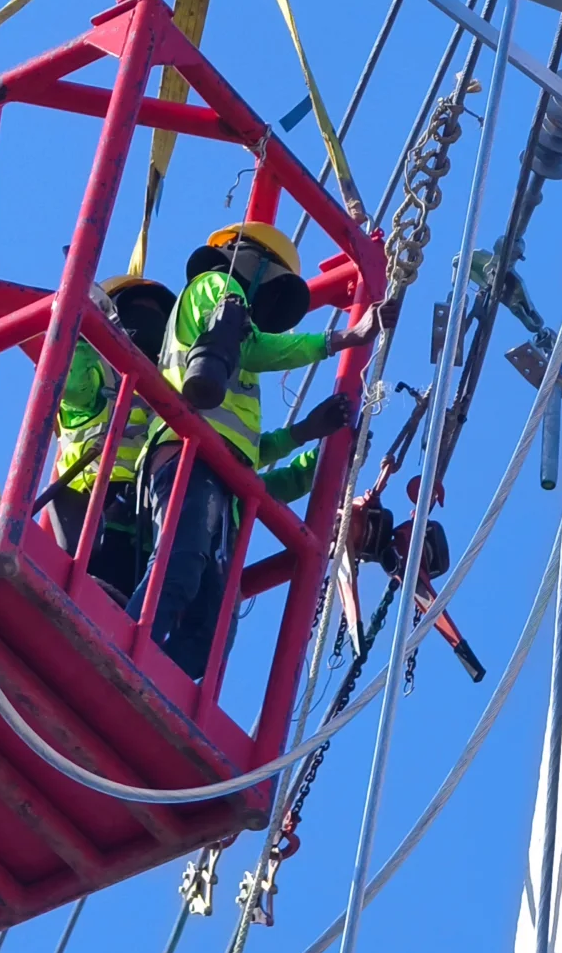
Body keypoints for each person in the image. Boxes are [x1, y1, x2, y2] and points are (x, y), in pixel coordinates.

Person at [133, 221, 382, 678]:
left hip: (219, 477)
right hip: (187, 458)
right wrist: (338, 339)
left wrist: (308, 436)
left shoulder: (239, 362)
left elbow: (244, 449)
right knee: (181, 563)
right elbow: (252, 348)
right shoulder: (216, 289)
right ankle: (126, 645)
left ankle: (156, 681)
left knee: (213, 624)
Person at [45, 275, 174, 603]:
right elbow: (69, 377)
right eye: (139, 312)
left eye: (157, 317)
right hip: (95, 509)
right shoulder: (93, 378)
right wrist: (87, 328)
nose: (149, 323)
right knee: (96, 596)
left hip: (146, 518)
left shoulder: (170, 394)